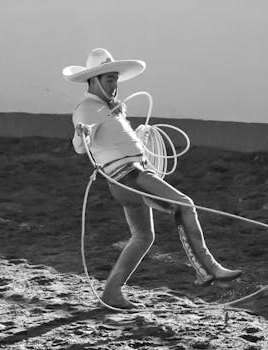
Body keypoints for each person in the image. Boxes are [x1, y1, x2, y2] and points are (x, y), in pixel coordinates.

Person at [62, 48, 242, 309]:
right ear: (94, 80)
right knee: (184, 204)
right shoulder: (87, 108)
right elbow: (80, 146)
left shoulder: (109, 108)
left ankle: (112, 291)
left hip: (125, 178)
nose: (114, 85)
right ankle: (209, 269)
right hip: (130, 176)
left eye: (115, 79)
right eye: (109, 79)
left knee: (143, 236)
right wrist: (82, 133)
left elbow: (116, 140)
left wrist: (138, 137)